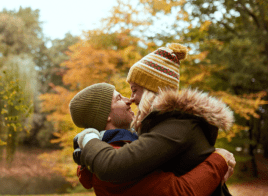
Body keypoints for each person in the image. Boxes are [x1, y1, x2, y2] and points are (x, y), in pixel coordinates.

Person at [75, 44, 235, 195]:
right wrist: (220, 159)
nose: (130, 99)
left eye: (134, 90)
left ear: (152, 90)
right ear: (106, 115)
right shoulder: (164, 127)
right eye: (119, 98)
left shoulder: (174, 126)